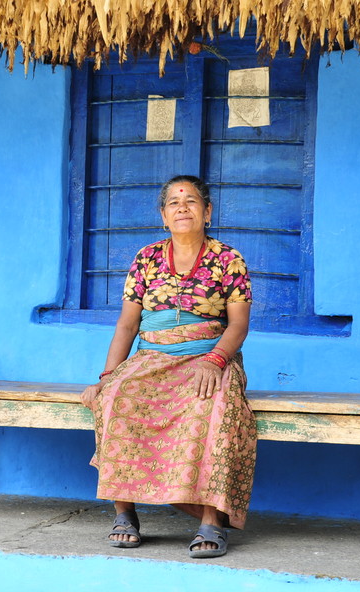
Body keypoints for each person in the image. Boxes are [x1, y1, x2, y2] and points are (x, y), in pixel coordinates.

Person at [80, 175, 257, 559]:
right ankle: (124, 513)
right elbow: (127, 325)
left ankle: (211, 519)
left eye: (191, 201)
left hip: (210, 357)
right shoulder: (145, 259)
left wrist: (215, 360)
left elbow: (239, 324)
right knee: (116, 398)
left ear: (207, 212)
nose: (182, 208)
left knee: (216, 406)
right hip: (152, 358)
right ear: (163, 216)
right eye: (174, 203)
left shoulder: (229, 259)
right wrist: (108, 376)